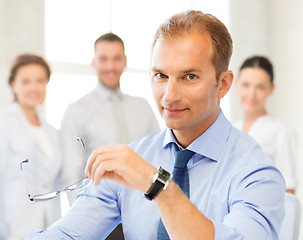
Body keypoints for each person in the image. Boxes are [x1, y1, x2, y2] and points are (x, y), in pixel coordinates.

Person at [26, 10, 285, 240]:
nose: (169, 95)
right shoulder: (132, 161)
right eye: (161, 75)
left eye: (190, 76)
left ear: (224, 84)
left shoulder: (256, 174)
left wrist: (157, 184)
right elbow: (67, 234)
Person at [60, 33, 160, 239]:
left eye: (116, 58)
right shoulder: (76, 111)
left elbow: (160, 157)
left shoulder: (142, 107)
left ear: (124, 62)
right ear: (93, 63)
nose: (110, 66)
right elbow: (72, 174)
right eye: (103, 59)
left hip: (146, 212)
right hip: (101, 216)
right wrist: (84, 224)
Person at [0, 54, 62, 239]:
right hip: (15, 226)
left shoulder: (51, 131)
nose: (34, 88)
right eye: (26, 81)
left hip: (49, 224)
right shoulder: (4, 122)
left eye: (40, 81)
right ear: (13, 85)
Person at [234, 56, 297, 194]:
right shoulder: (231, 130)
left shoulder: (282, 131)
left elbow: (288, 191)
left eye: (260, 87)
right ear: (236, 85)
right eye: (246, 85)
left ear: (271, 89)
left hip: (263, 213)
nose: (252, 94)